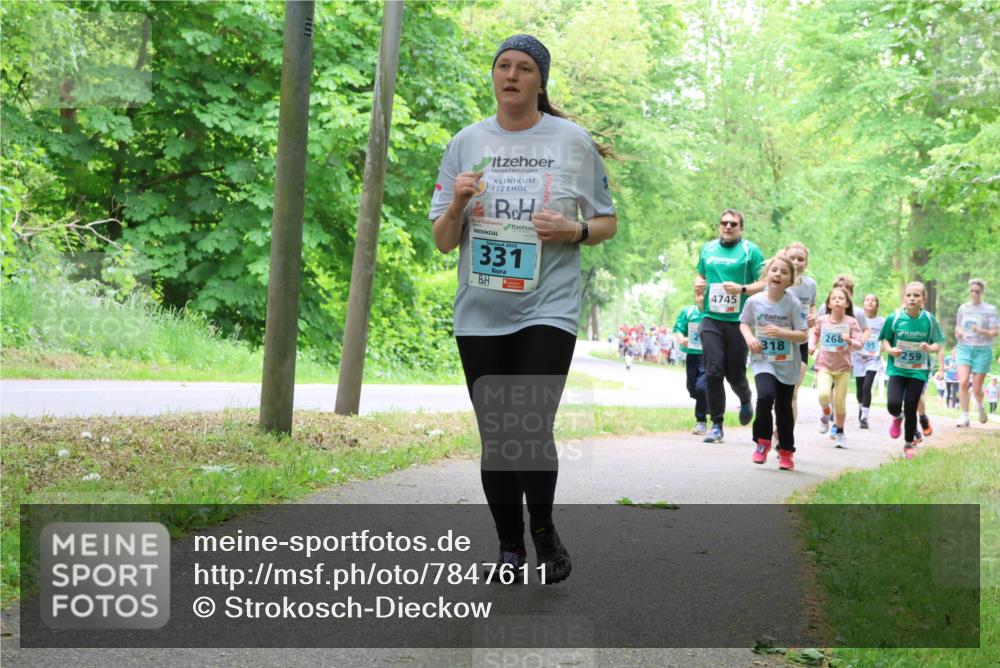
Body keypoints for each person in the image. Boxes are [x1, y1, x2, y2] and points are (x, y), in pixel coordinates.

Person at [429, 34, 617, 583]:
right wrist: (459, 201)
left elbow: (606, 221)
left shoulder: (571, 141)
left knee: (529, 426)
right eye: (503, 66)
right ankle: (509, 548)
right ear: (494, 76)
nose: (511, 75)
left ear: (540, 81)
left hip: (547, 306)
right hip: (480, 312)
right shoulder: (466, 142)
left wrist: (573, 230)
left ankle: (544, 530)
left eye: (524, 68)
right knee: (497, 436)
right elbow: (443, 241)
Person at [694, 209, 765, 443]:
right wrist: (698, 286)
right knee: (713, 372)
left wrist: (742, 289)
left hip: (738, 322)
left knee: (734, 374)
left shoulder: (750, 251)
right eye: (724, 223)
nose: (727, 226)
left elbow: (764, 282)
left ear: (741, 228)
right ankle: (717, 425)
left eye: (733, 224)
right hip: (711, 318)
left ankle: (745, 398)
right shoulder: (708, 249)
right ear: (719, 226)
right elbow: (701, 276)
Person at [739, 255, 808, 469]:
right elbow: (744, 323)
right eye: (774, 270)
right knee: (765, 397)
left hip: (787, 364)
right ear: (767, 275)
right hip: (763, 360)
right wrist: (749, 338)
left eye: (784, 272)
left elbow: (803, 335)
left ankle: (786, 451)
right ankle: (762, 442)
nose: (778, 274)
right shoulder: (754, 301)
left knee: (783, 408)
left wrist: (781, 332)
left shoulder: (793, 304)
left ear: (790, 280)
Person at [879, 282, 944, 459]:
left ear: (924, 299)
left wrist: (929, 348)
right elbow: (884, 340)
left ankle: (908, 444)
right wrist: (890, 349)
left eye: (916, 295)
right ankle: (897, 416)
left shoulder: (929, 320)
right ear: (904, 298)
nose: (912, 298)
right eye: (909, 295)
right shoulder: (894, 318)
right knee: (893, 404)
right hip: (897, 369)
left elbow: (938, 344)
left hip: (918, 370)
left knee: (911, 407)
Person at [817, 274, 871, 434]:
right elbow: (817, 328)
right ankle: (826, 413)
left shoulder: (857, 313)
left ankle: (836, 425)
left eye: (846, 289)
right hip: (827, 358)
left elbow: (866, 330)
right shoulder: (824, 308)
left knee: (839, 396)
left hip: (845, 357)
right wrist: (814, 345)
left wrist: (857, 342)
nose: (842, 292)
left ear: (850, 295)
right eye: (838, 289)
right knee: (826, 391)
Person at [811, 287, 863, 448]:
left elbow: (860, 343)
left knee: (840, 403)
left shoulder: (851, 322)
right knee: (823, 395)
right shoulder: (822, 320)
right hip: (824, 365)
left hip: (843, 368)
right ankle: (826, 412)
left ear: (847, 304)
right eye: (834, 298)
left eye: (841, 298)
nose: (837, 301)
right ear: (829, 304)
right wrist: (812, 344)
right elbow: (815, 333)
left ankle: (840, 432)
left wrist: (850, 341)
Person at [954, 279, 999, 426]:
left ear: (982, 292)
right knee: (963, 381)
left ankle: (980, 406)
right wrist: (959, 332)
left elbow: (995, 332)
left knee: (977, 388)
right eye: (972, 291)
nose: (974, 294)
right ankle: (964, 416)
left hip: (982, 350)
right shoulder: (963, 308)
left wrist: (981, 331)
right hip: (964, 348)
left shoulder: (990, 310)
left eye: (977, 291)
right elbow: (958, 327)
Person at [784, 242, 817, 431]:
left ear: (806, 263)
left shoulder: (810, 285)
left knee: (793, 392)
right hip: (779, 344)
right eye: (792, 258)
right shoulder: (776, 281)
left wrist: (812, 317)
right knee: (776, 395)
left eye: (800, 259)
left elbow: (811, 306)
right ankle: (775, 425)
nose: (796, 262)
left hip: (800, 344)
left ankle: (784, 436)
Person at [674, 285, 708, 435]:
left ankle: (701, 421)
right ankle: (706, 403)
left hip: (709, 356)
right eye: (698, 293)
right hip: (692, 355)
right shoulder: (688, 311)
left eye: (704, 294)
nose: (700, 297)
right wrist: (682, 339)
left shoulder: (713, 314)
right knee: (692, 388)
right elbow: (678, 329)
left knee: (701, 387)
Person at [853, 294, 885, 429]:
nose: (870, 302)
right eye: (867, 300)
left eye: (873, 300)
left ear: (877, 305)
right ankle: (861, 410)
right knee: (859, 390)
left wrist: (882, 348)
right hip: (859, 357)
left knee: (867, 386)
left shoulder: (882, 322)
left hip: (873, 358)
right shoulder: (858, 319)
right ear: (863, 304)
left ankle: (864, 417)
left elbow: (885, 338)